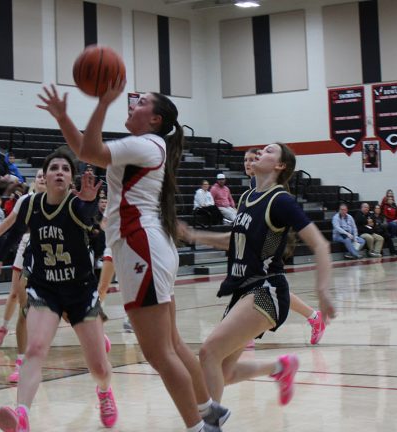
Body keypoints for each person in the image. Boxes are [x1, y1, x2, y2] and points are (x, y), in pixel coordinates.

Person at [37, 82, 224, 432]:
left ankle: (199, 427)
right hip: (151, 245)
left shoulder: (145, 144)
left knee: (158, 354)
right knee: (173, 345)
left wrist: (104, 103)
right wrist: (63, 117)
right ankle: (210, 411)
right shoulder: (150, 144)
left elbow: (90, 151)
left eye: (141, 102)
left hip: (141, 246)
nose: (133, 103)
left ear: (153, 119)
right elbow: (84, 148)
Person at [178, 143, 335, 412]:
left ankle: (209, 425)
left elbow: (320, 244)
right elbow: (235, 239)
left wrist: (323, 292)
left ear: (280, 165)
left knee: (209, 353)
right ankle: (279, 367)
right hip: (243, 290)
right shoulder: (247, 198)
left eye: (270, 151)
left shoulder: (280, 200)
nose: (262, 152)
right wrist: (195, 236)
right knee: (223, 372)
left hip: (266, 290)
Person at [0, 151, 118, 431]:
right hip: (45, 288)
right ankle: (21, 414)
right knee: (35, 348)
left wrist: (90, 201)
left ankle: (105, 392)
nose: (60, 172)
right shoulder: (30, 204)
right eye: (54, 168)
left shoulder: (76, 205)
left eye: (65, 169)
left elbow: (87, 216)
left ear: (71, 178)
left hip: (81, 291)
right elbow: (16, 233)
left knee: (98, 369)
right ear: (44, 177)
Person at [242, 147, 326, 346]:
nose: (247, 162)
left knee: (263, 285)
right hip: (258, 245)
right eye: (245, 159)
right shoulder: (254, 184)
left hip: (269, 244)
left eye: (252, 158)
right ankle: (314, 317)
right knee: (264, 287)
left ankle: (246, 333)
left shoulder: (262, 184)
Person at [0, 169, 46, 383]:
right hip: (26, 249)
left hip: (50, 252)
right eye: (39, 176)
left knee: (58, 303)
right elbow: (10, 224)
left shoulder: (60, 201)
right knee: (19, 300)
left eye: (46, 175)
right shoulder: (26, 201)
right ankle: (16, 351)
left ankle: (92, 333)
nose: (43, 178)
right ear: (34, 181)